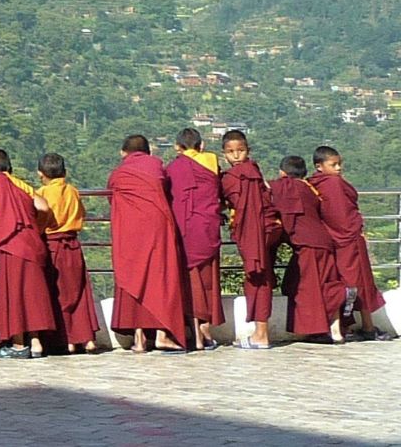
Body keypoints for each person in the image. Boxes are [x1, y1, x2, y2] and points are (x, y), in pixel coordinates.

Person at [107, 135, 189, 352]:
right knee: (160, 277)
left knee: (132, 275)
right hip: (157, 228)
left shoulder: (119, 174)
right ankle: (162, 334)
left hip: (130, 231)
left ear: (123, 152)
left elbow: (113, 198)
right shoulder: (157, 167)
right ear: (148, 152)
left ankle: (139, 338)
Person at [0, 150, 56, 358]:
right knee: (31, 292)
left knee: (14, 293)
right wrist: (38, 227)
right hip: (31, 242)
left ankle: (19, 345)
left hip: (11, 244)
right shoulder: (20, 184)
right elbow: (43, 207)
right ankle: (36, 344)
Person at [310, 146, 394, 341]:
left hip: (333, 240)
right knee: (360, 283)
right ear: (319, 166)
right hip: (349, 239)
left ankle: (341, 328)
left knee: (341, 282)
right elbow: (342, 216)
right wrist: (356, 228)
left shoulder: (316, 183)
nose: (338, 168)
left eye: (339, 164)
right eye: (333, 164)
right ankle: (367, 326)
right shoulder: (333, 183)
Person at [271, 156, 346, 344]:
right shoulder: (310, 188)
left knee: (307, 287)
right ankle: (336, 330)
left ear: (282, 173)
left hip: (307, 244)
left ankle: (318, 331)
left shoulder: (286, 186)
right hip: (324, 241)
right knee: (327, 284)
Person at [218, 131, 280, 349]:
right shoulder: (254, 171)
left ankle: (261, 334)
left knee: (257, 278)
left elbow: (238, 204)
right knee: (262, 276)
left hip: (253, 231)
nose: (236, 156)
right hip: (267, 228)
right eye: (231, 152)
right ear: (224, 153)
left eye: (240, 150)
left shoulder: (233, 176)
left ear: (248, 150)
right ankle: (260, 332)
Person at [166, 128, 227, 349]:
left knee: (190, 279)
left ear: (177, 147)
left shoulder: (173, 169)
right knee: (208, 278)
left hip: (184, 228)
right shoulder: (211, 162)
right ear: (201, 146)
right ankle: (205, 328)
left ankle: (195, 332)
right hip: (208, 226)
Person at [35, 153, 99, 355]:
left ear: (40, 174)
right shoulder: (73, 191)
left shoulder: (42, 193)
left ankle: (67, 340)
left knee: (58, 292)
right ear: (65, 172)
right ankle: (87, 339)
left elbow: (40, 219)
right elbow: (82, 214)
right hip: (73, 244)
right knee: (78, 291)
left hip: (52, 245)